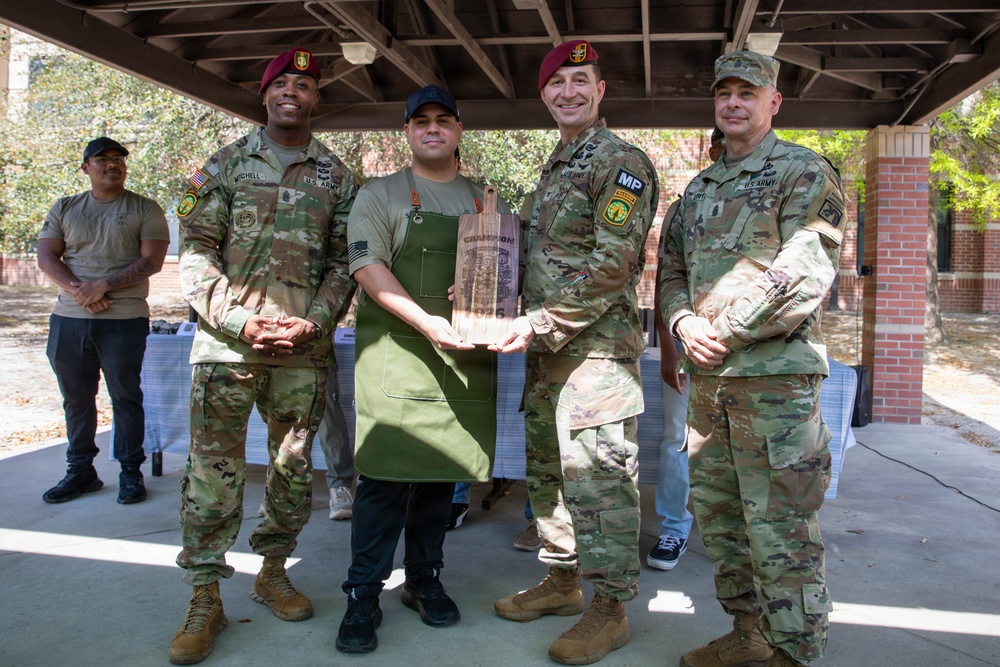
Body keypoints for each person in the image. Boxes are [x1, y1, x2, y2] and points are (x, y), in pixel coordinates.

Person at [168, 48, 358, 665]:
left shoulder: (336, 175)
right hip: (225, 347)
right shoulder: (222, 166)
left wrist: (314, 321)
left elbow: (342, 263)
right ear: (263, 92)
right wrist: (239, 320)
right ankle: (204, 597)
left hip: (302, 350)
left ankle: (272, 570)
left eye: (304, 85)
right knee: (211, 475)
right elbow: (194, 254)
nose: (292, 93)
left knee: (292, 469)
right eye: (283, 83)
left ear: (315, 99)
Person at [660, 52, 843, 667]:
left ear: (774, 103)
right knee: (724, 525)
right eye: (724, 93)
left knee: (781, 529)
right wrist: (684, 322)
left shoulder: (804, 172)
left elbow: (803, 273)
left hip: (775, 386)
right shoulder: (698, 189)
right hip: (711, 386)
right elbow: (671, 273)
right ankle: (750, 634)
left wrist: (724, 332)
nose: (734, 103)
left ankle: (795, 651)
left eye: (748, 92)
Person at [491, 40, 659, 665]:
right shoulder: (556, 165)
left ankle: (609, 608)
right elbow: (542, 261)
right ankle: (563, 584)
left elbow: (615, 263)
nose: (568, 91)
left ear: (601, 89)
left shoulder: (620, 162)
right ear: (544, 94)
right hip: (548, 356)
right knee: (551, 480)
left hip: (596, 359)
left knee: (602, 485)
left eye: (580, 79)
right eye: (557, 82)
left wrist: (537, 321)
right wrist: (487, 289)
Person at [335, 85, 510, 654]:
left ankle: (424, 579)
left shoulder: (487, 201)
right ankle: (363, 593)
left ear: (459, 129)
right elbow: (369, 269)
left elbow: (505, 265)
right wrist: (431, 324)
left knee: (441, 477)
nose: (431, 128)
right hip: (399, 357)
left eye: (443, 120)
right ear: (407, 132)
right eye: (421, 121)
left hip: (463, 360)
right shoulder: (380, 195)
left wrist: (484, 287)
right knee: (384, 481)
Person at [37, 136, 169, 506]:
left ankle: (130, 472)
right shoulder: (66, 207)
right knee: (77, 399)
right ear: (85, 168)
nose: (113, 164)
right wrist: (81, 289)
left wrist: (103, 286)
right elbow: (47, 256)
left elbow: (151, 261)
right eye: (102, 159)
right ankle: (81, 471)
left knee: (126, 396)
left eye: (118, 159)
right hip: (69, 318)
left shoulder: (145, 208)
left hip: (124, 319)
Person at [647, 128, 723, 571]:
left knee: (738, 444)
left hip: (746, 349)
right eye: (717, 145)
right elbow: (666, 279)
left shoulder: (773, 191)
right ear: (710, 149)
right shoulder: (687, 204)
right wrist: (669, 349)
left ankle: (736, 531)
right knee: (677, 440)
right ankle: (674, 528)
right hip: (688, 341)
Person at [318, 350, 356, 520]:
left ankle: (339, 486)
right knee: (278, 424)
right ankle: (276, 491)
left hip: (313, 351)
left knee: (328, 419)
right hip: (266, 351)